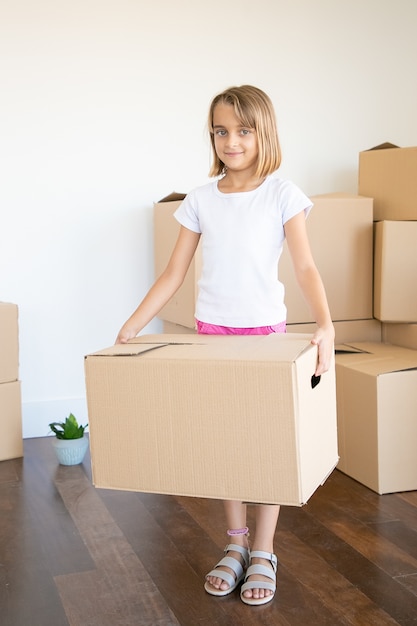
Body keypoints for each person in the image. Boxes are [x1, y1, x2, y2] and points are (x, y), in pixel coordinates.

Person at [116, 84, 335, 606]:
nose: (231, 141)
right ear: (210, 136)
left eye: (243, 130)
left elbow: (304, 266)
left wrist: (325, 324)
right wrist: (131, 327)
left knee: (265, 446)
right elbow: (173, 273)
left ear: (264, 133)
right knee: (225, 443)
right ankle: (234, 546)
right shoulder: (200, 199)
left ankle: (264, 550)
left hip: (265, 338)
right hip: (213, 336)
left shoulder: (283, 195)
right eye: (220, 131)